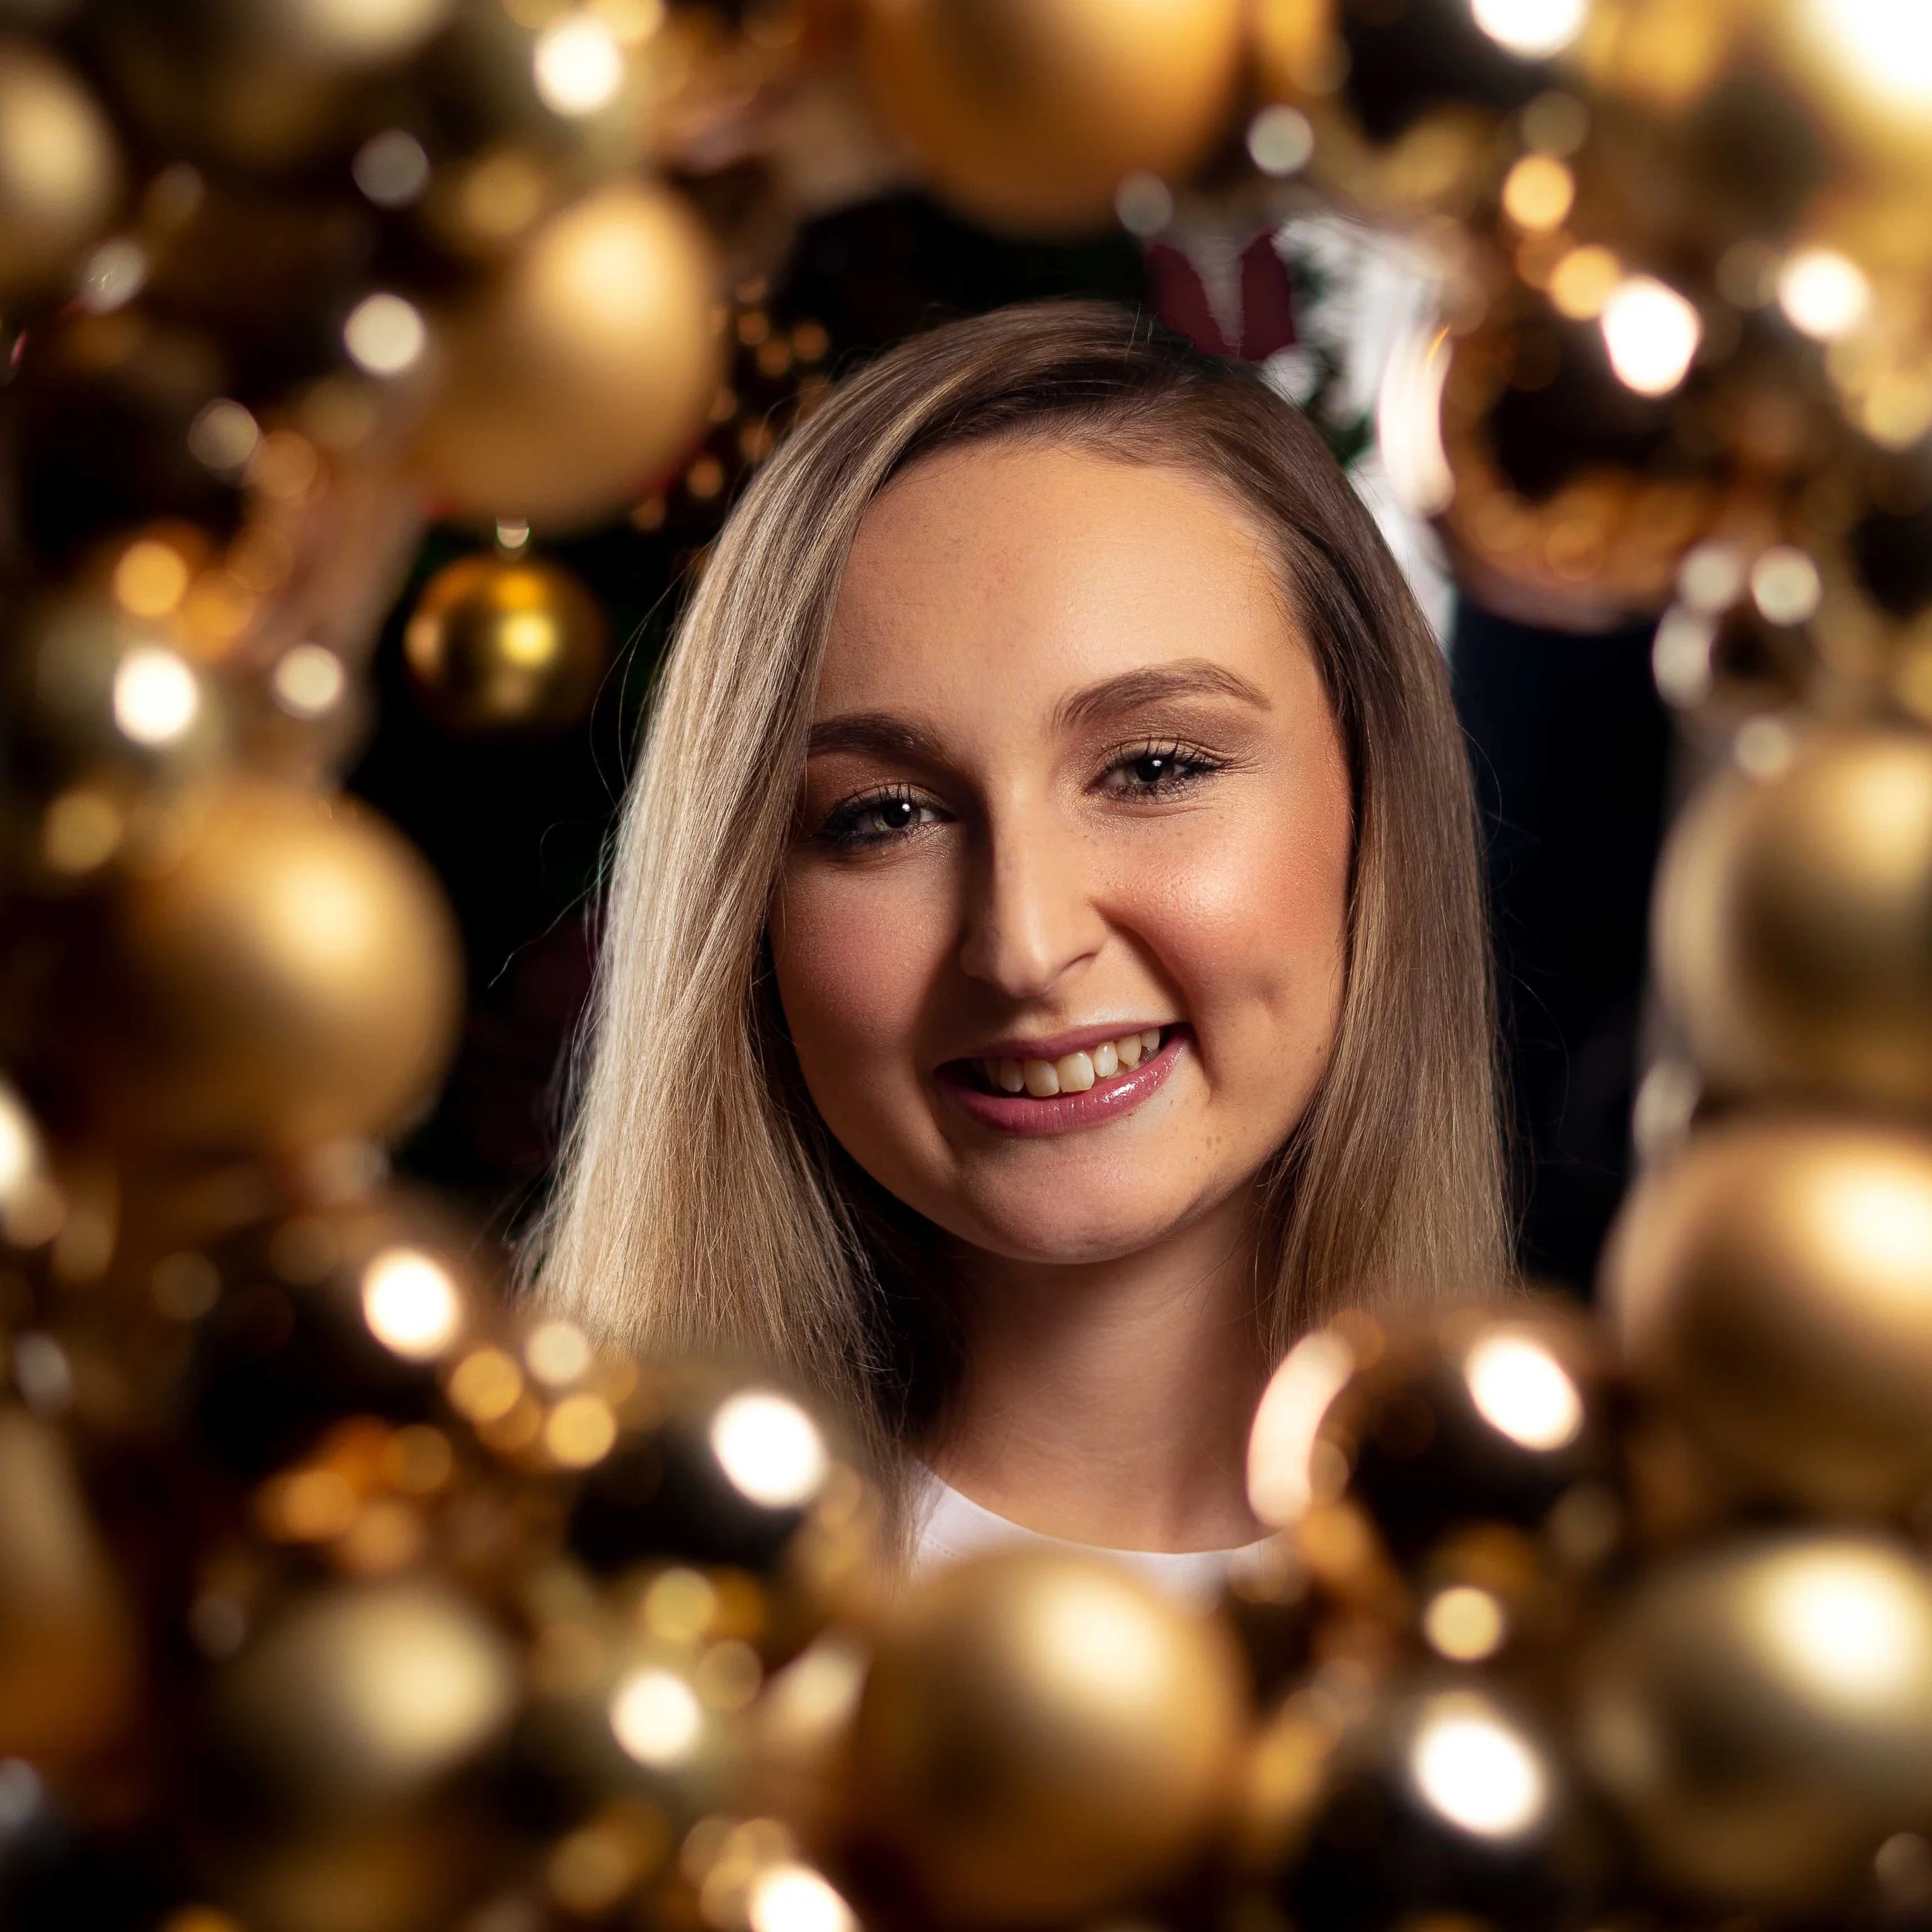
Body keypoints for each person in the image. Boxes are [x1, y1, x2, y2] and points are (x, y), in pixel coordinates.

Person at [528, 300, 1506, 1584]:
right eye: (886, 815)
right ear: (744, 913)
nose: (1024, 946)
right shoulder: (570, 1614)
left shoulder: (1607, 1609)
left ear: (1374, 805)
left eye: (1153, 769)